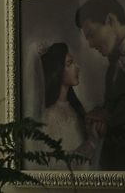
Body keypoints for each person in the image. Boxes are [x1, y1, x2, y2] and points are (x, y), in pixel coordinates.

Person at [75, 0, 125, 170]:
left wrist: (107, 119)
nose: (89, 44)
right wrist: (101, 114)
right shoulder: (113, 63)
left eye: (91, 34)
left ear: (110, 20)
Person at [40, 42, 99, 170]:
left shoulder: (75, 108)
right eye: (69, 63)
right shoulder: (48, 116)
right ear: (57, 70)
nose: (77, 67)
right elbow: (59, 164)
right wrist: (92, 143)